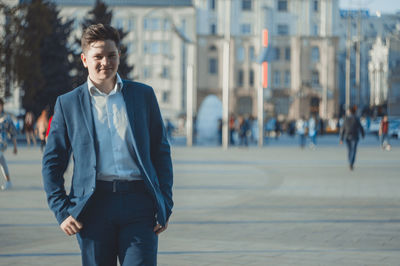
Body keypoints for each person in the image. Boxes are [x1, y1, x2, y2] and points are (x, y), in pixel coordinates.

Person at [42, 24, 173, 266]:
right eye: (98, 56)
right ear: (84, 59)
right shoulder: (68, 104)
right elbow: (52, 162)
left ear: (119, 56)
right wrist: (61, 210)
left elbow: (161, 152)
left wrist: (165, 202)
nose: (105, 62)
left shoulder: (143, 96)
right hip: (92, 209)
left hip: (139, 205)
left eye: (111, 55)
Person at [0, 99, 18, 190]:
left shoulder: (6, 118)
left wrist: (15, 147)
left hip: (2, 143)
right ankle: (8, 182)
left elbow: (13, 133)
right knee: (2, 162)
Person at [340, 106, 365, 171]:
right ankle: (351, 162)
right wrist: (362, 134)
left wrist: (341, 138)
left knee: (349, 150)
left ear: (349, 112)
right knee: (353, 150)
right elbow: (360, 127)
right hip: (355, 136)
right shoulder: (356, 118)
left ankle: (350, 161)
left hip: (347, 136)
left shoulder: (346, 119)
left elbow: (342, 129)